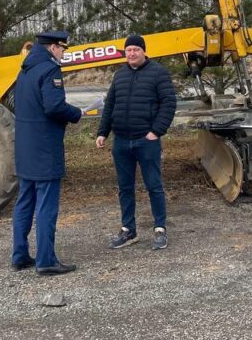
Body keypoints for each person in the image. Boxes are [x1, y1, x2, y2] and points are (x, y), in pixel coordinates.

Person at [11, 29, 84, 276]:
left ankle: (19, 255)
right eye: (63, 49)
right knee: (46, 205)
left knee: (25, 201)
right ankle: (46, 260)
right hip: (44, 147)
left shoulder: (24, 71)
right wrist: (76, 114)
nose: (64, 53)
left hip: (25, 147)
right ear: (53, 47)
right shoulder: (50, 70)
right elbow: (53, 106)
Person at [95, 34, 177, 251]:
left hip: (146, 141)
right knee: (125, 188)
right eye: (128, 50)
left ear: (143, 51)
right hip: (121, 142)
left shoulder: (158, 73)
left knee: (154, 186)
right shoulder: (120, 75)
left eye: (135, 50)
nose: (131, 53)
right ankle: (128, 230)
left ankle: (160, 229)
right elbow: (110, 105)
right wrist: (102, 132)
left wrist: (156, 131)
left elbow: (169, 102)